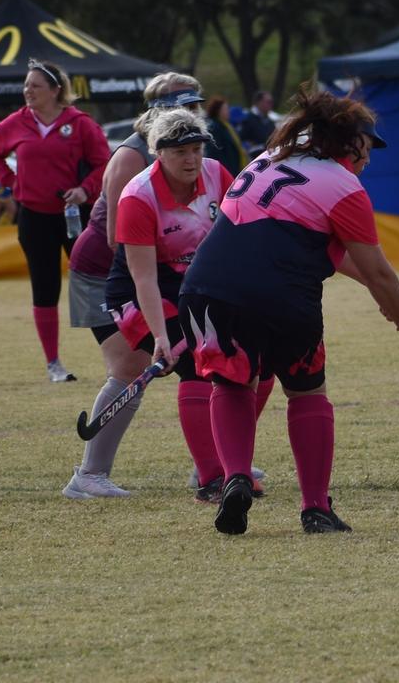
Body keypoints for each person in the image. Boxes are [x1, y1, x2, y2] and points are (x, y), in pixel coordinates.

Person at [179, 86, 399, 536]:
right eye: (366, 148)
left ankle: (234, 477)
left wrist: (391, 307)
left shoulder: (267, 159)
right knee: (306, 392)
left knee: (232, 381)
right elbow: (379, 273)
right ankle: (316, 508)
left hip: (206, 287)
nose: (368, 159)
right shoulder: (343, 185)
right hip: (280, 295)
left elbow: (316, 247)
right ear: (346, 143)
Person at [95, 109, 238, 506]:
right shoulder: (139, 196)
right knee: (194, 361)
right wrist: (160, 336)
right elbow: (143, 279)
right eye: (180, 153)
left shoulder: (217, 176)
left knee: (241, 363)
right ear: (158, 153)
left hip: (193, 283)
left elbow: (232, 240)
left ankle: (227, 464)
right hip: (139, 290)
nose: (192, 160)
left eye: (196, 149)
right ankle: (211, 479)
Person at [0, 59, 109, 383]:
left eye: (35, 86)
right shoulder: (16, 122)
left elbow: (105, 163)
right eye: (26, 85)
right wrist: (12, 182)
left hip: (75, 215)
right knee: (45, 287)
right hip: (34, 217)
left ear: (55, 90)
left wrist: (85, 189)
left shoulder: (79, 123)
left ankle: (118, 356)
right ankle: (54, 364)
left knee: (94, 283)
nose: (28, 91)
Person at [203, 96, 249, 177]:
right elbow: (214, 152)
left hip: (234, 169)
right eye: (225, 109)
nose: (228, 112)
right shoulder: (214, 127)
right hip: (226, 171)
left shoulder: (227, 126)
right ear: (217, 111)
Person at [238, 90, 276, 156]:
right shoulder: (247, 119)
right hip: (253, 159)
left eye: (271, 102)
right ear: (259, 102)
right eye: (268, 102)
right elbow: (241, 140)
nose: (271, 104)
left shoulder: (269, 121)